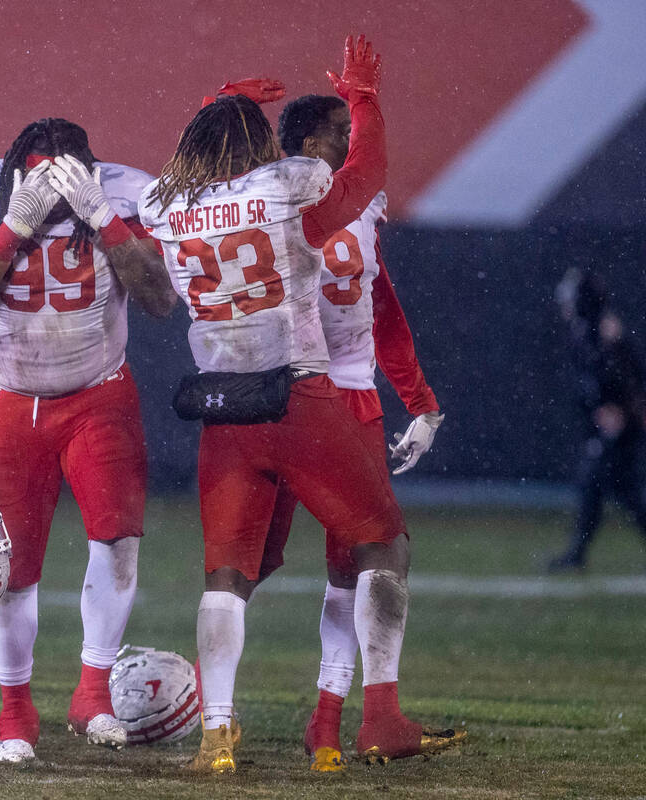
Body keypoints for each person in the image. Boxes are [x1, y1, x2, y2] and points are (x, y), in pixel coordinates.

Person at [140, 36, 462, 772]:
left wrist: (216, 107)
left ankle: (216, 733)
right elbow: (365, 172)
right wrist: (365, 98)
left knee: (227, 575)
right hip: (299, 396)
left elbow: (198, 170)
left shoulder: (164, 205)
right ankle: (379, 715)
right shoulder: (287, 186)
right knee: (384, 544)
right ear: (263, 142)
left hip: (223, 412)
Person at [0, 118, 175, 763]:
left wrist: (106, 221)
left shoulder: (124, 193)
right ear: (14, 175)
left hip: (98, 393)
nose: (55, 190)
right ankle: (15, 711)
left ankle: (93, 690)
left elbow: (160, 298)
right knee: (9, 569)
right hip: (9, 401)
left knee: (118, 539)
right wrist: (13, 225)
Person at [251, 90, 446, 772]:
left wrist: (419, 401)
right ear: (307, 145)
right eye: (342, 132)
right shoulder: (271, 202)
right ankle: (208, 713)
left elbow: (380, 305)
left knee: (352, 566)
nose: (354, 144)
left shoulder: (358, 207)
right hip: (290, 395)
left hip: (349, 397)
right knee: (248, 567)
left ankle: (331, 718)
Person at [548, 268, 646, 571]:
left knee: (609, 486)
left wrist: (623, 411)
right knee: (608, 488)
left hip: (622, 429)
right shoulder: (585, 333)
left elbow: (630, 378)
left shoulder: (606, 334)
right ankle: (577, 552)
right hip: (606, 428)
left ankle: (577, 553)